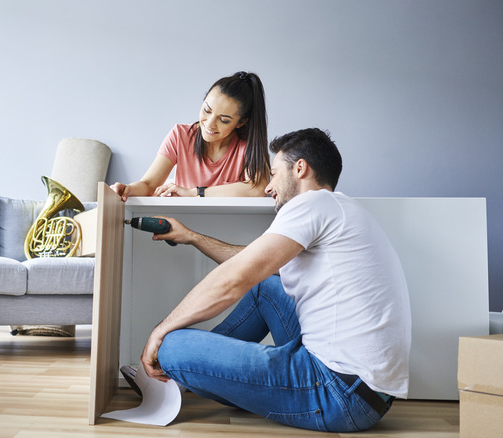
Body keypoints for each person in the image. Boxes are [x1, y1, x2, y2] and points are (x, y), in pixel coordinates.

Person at [137, 128, 411, 432]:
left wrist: (160, 331)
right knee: (266, 288)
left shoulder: (312, 204)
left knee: (171, 347)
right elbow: (253, 263)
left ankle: (173, 368)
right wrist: (192, 237)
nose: (269, 187)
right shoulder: (338, 209)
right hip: (364, 392)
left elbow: (234, 279)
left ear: (300, 168)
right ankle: (187, 375)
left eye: (274, 173)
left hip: (336, 393)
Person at [111, 71, 270, 200]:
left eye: (223, 120)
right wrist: (128, 189)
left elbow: (259, 188)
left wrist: (195, 192)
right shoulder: (180, 135)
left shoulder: (247, 145)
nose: (209, 123)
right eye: (207, 110)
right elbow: (149, 184)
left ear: (241, 122)